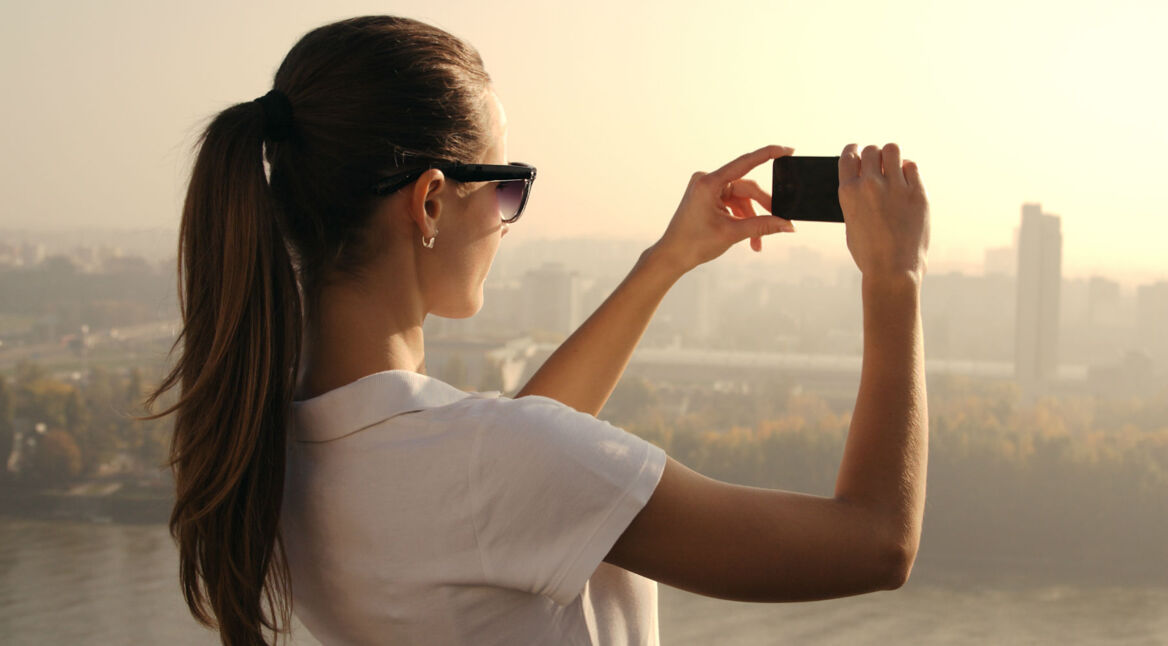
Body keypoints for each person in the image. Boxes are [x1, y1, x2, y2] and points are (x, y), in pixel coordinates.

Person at [144, 14, 930, 646]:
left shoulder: (280, 450)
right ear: (427, 203)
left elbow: (512, 469)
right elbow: (873, 542)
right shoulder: (493, 464)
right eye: (506, 187)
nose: (508, 222)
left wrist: (664, 262)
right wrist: (894, 280)